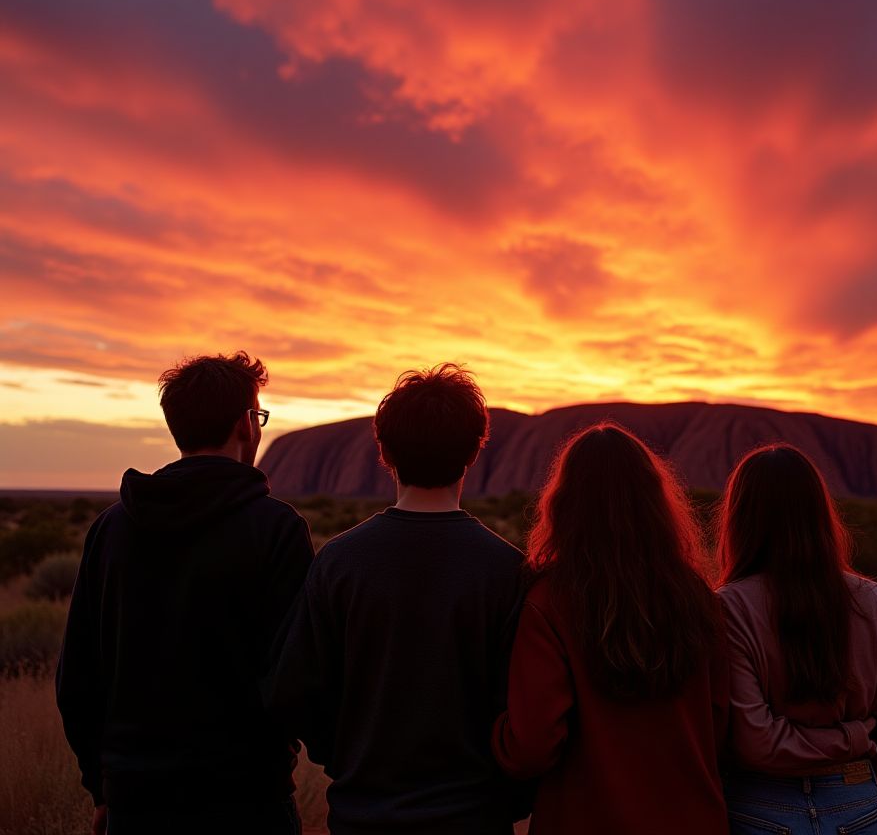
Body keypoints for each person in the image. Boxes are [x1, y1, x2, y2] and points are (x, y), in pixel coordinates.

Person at [56, 352, 313, 835]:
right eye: (258, 415)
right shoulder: (275, 529)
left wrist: (102, 786)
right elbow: (294, 675)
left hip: (136, 801)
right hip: (248, 800)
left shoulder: (111, 529)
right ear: (245, 423)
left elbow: (78, 677)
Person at [265, 363, 526, 835]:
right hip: (474, 817)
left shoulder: (339, 562)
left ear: (384, 451)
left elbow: (296, 690)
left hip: (365, 813)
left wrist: (344, 757)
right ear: (474, 451)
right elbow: (524, 702)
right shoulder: (507, 569)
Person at [492, 423, 730, 835]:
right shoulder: (697, 596)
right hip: (692, 819)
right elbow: (721, 723)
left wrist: (494, 733)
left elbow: (530, 746)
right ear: (654, 500)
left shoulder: (550, 600)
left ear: (565, 503)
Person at [717, 443, 877, 835]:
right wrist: (850, 747)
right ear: (819, 512)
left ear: (739, 518)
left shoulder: (729, 609)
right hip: (860, 806)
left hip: (760, 810)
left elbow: (756, 741)